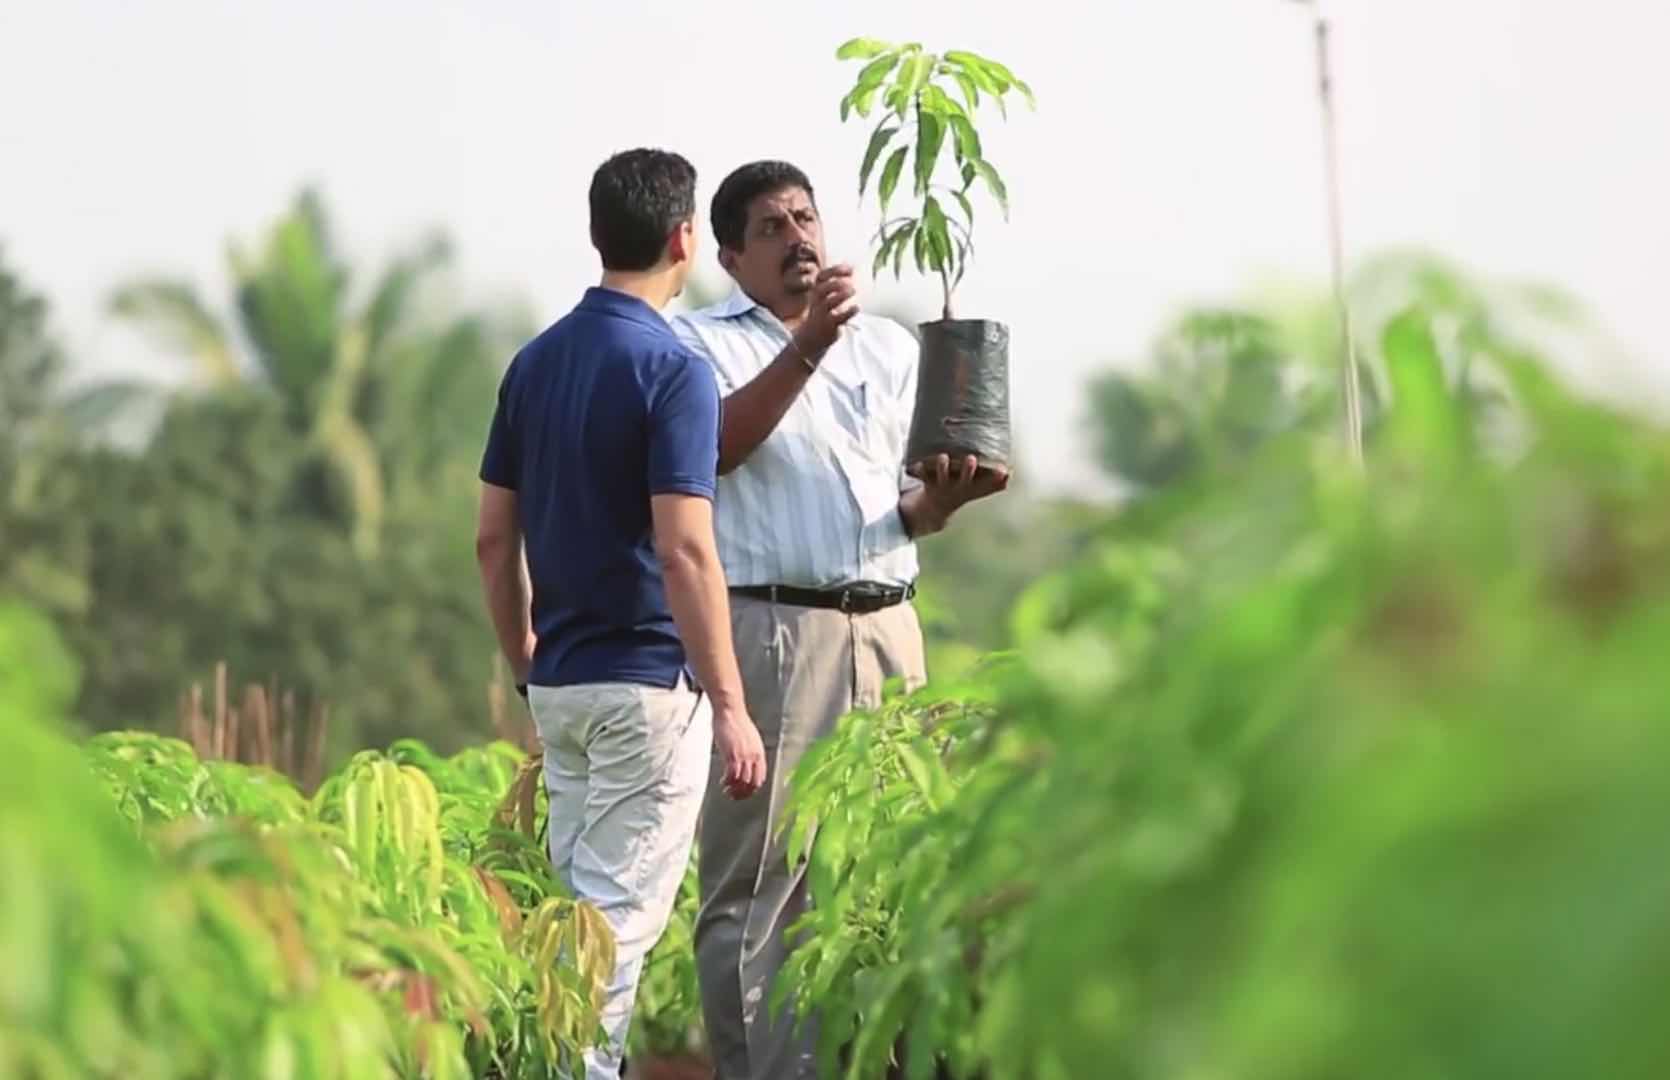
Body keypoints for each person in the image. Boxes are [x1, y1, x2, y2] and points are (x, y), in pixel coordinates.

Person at [669, 159, 1010, 1080]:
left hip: (890, 624)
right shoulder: (695, 345)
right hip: (779, 633)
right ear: (732, 257)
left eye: (807, 218)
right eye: (773, 229)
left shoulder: (889, 348)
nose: (799, 239)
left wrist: (942, 502)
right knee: (764, 884)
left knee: (888, 864)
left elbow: (899, 506)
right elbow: (716, 451)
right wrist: (807, 345)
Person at [474, 147, 768, 1080]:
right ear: (686, 238)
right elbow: (685, 548)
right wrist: (729, 702)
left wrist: (524, 655)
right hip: (647, 690)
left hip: (560, 686)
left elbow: (491, 538)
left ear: (599, 234)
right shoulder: (672, 370)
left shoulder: (533, 363)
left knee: (574, 927)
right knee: (607, 951)